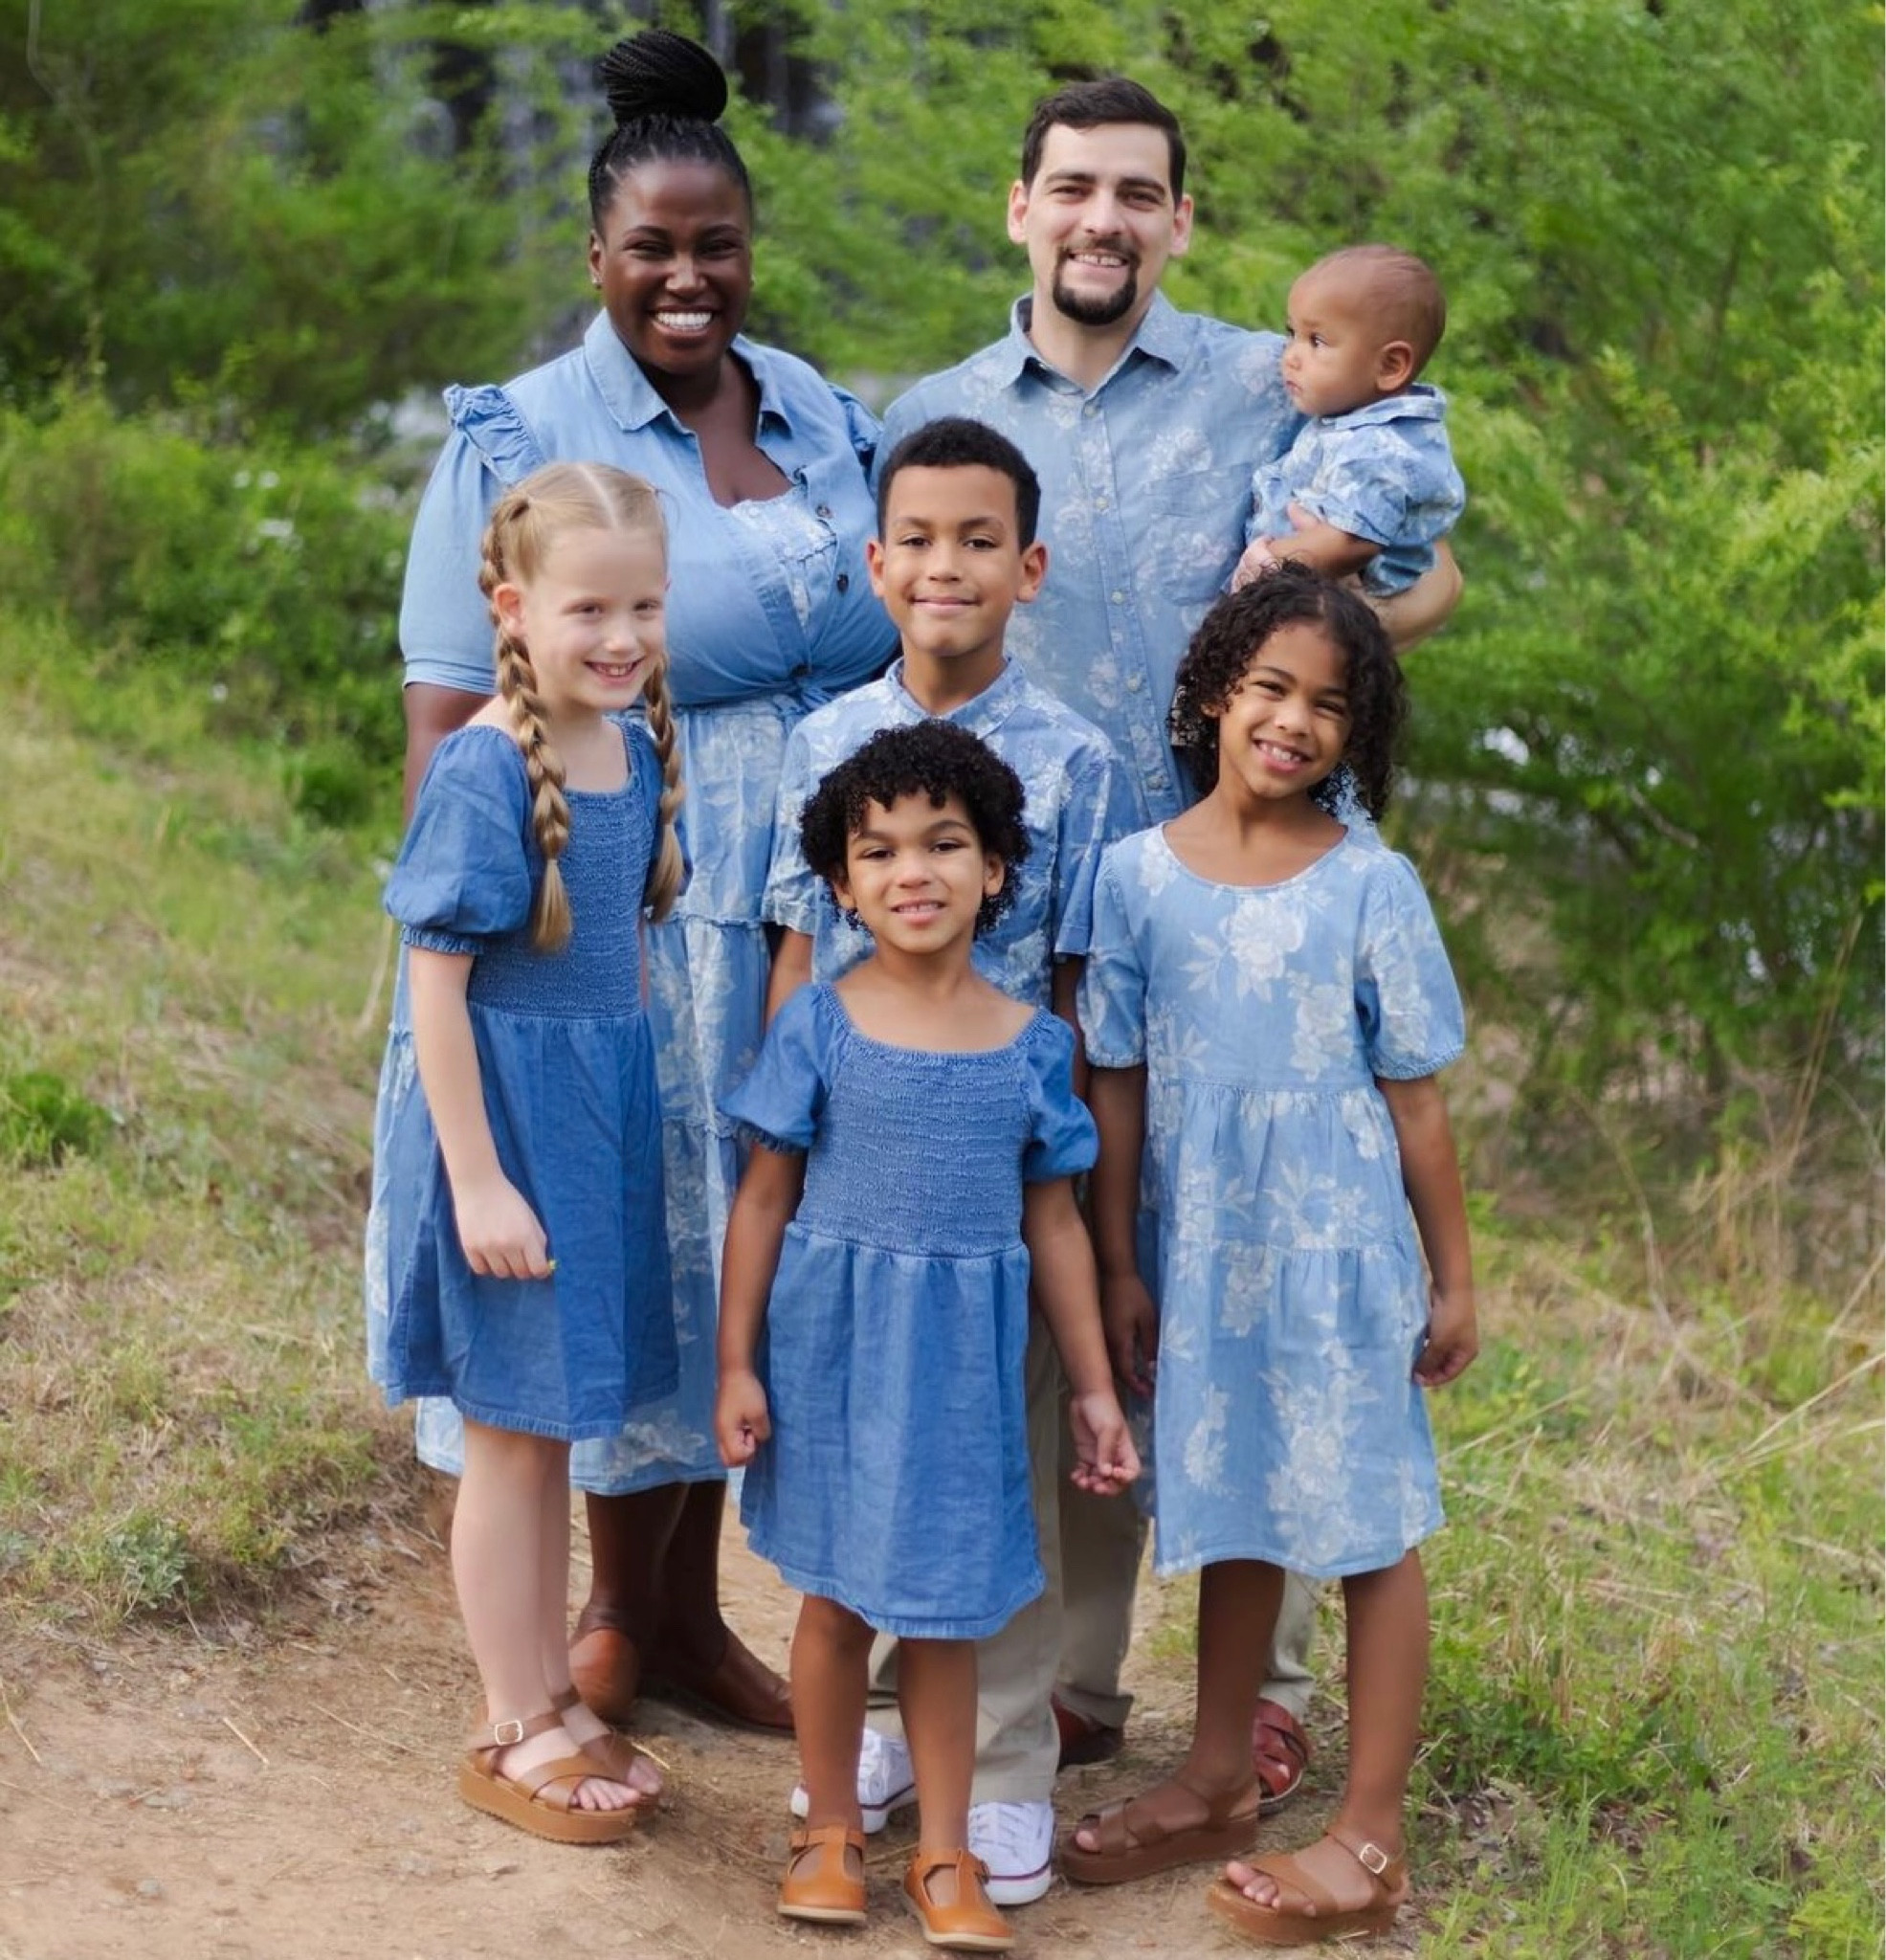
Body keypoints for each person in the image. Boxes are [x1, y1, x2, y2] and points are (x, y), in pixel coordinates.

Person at [878, 72, 1463, 1831]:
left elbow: (1411, 576)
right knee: (1024, 1309)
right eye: (1072, 188)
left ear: (1179, 220)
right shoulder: (937, 411)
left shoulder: (1271, 387)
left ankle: (1248, 1697)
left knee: (1207, 1293)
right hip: (993, 937)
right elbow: (889, 611)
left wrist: (1347, 625)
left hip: (1217, 923)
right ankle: (1029, 1676)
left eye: (1138, 192)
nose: (1102, 220)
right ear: (1020, 207)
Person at [375, 26, 895, 1735]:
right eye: (652, 249)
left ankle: (683, 1609)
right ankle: (610, 1613)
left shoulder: (818, 409)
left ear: (754, 248)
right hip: (598, 894)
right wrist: (488, 938)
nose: (688, 277)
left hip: (786, 889)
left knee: (723, 1231)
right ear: (595, 256)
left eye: (718, 244)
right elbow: (455, 706)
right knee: (617, 1218)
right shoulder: (524, 430)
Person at [1064, 567, 1476, 1947]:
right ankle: (1214, 1776)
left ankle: (1369, 1832)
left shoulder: (1369, 884)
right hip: (1198, 1255)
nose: (1294, 722)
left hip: (1339, 1251)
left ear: (1354, 736)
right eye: (1270, 689)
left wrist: (1454, 1275)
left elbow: (1414, 1097)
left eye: (1328, 706)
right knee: (1237, 1500)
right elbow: (1112, 1080)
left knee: (1362, 1526)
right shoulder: (1130, 877)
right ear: (1209, 696)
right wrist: (1121, 1261)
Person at [763, 416, 1129, 1904]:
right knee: (855, 1473)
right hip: (853, 1180)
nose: (944, 565)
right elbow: (795, 963)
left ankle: (993, 1774)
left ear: (1026, 565)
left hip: (999, 1170)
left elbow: (1076, 998)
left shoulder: (1079, 762)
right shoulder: (821, 743)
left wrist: (1091, 1231)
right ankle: (870, 1754)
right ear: (874, 560)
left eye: (977, 540)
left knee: (1003, 1486)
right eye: (915, 538)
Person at [716, 720, 1141, 1950]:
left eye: (947, 843)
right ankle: (834, 1826)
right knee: (841, 1602)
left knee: (950, 1612)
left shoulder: (1031, 1047)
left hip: (965, 1374)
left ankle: (947, 1850)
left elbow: (1055, 1225)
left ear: (998, 867)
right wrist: (740, 1359)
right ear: (842, 883)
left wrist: (1097, 1390)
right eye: (880, 849)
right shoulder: (820, 1024)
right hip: (837, 1357)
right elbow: (764, 1196)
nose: (915, 870)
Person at [371, 462, 684, 1842]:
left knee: (552, 1424)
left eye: (644, 608)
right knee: (506, 1434)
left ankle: (553, 1691)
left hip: (595, 1117)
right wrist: (481, 1176)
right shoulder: (486, 764)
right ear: (512, 605)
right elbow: (435, 988)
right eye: (588, 610)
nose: (619, 638)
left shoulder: (632, 747)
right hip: (504, 1125)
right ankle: (508, 1722)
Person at [1236, 244, 1464, 595]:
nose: (1291, 356)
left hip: (1317, 601)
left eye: (1317, 341)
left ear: (1389, 366)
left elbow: (1351, 544)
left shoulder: (1380, 449)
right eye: (1291, 334)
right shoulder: (1354, 418)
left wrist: (1267, 562)